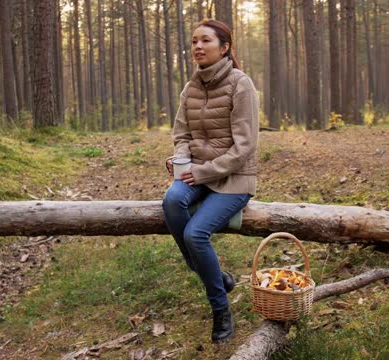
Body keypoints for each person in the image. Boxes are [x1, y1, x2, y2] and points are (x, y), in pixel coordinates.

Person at [162, 19, 259, 343]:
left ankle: (220, 309)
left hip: (234, 178)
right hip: (196, 172)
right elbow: (181, 134)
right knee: (171, 201)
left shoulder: (240, 84)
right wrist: (181, 159)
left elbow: (244, 148)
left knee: (195, 233)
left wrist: (203, 171)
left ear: (225, 47)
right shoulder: (190, 88)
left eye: (205, 40)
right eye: (194, 42)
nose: (198, 47)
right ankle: (218, 277)